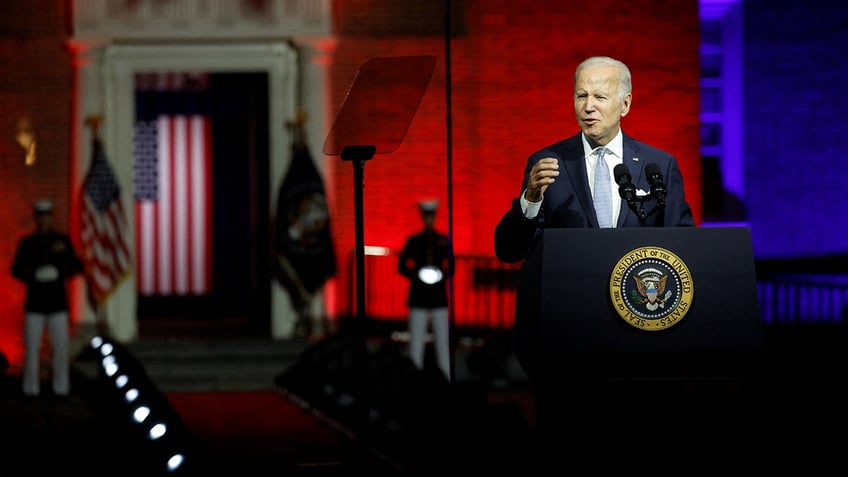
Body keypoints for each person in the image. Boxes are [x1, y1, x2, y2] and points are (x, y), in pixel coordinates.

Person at [493, 56, 695, 464]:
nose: (588, 106)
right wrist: (529, 199)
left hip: (639, 339)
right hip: (566, 338)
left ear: (625, 104)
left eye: (600, 96)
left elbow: (684, 249)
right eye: (580, 95)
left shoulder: (658, 166)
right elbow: (508, 249)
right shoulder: (547, 163)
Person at [11, 199, 84, 399]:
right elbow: (16, 269)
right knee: (31, 348)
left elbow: (76, 265)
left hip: (57, 302)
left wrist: (59, 273)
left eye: (47, 216)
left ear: (50, 217)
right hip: (34, 303)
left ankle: (61, 388)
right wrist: (33, 274)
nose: (44, 220)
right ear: (36, 218)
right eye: (40, 216)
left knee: (60, 348)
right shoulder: (27, 243)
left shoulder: (62, 241)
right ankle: (30, 389)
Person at [398, 200, 453, 382]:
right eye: (426, 215)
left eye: (432, 215)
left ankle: (445, 380)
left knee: (442, 344)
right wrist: (417, 274)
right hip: (418, 297)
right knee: (416, 344)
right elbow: (402, 266)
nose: (429, 219)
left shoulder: (443, 240)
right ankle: (415, 382)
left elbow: (452, 266)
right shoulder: (413, 241)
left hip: (438, 298)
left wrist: (441, 274)